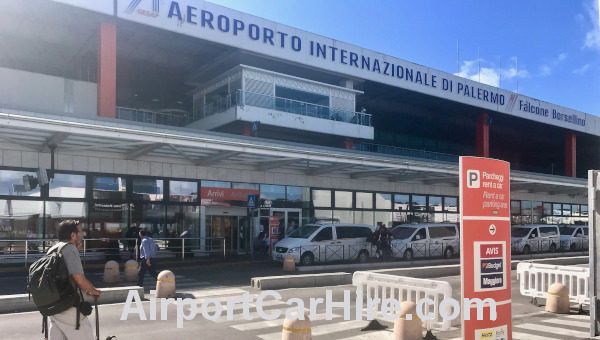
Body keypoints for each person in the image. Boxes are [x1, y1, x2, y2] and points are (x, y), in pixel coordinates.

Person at [47, 220, 102, 340]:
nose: (83, 235)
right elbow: (79, 279)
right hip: (68, 308)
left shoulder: (52, 249)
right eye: (80, 232)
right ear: (73, 235)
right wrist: (93, 291)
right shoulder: (70, 249)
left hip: (52, 307)